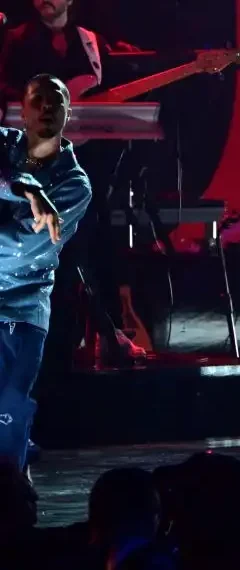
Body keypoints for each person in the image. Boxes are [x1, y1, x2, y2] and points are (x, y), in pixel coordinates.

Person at [0, 0, 144, 366]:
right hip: (30, 157)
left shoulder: (92, 43)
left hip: (82, 156)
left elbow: (108, 95)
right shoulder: (14, 40)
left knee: (89, 238)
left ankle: (101, 334)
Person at [0, 74, 92, 470]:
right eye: (38, 99)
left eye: (57, 100)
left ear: (69, 112)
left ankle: (12, 503)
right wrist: (23, 185)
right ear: (23, 109)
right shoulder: (3, 144)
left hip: (20, 311)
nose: (47, 107)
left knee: (7, 416)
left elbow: (21, 249)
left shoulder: (74, 184)